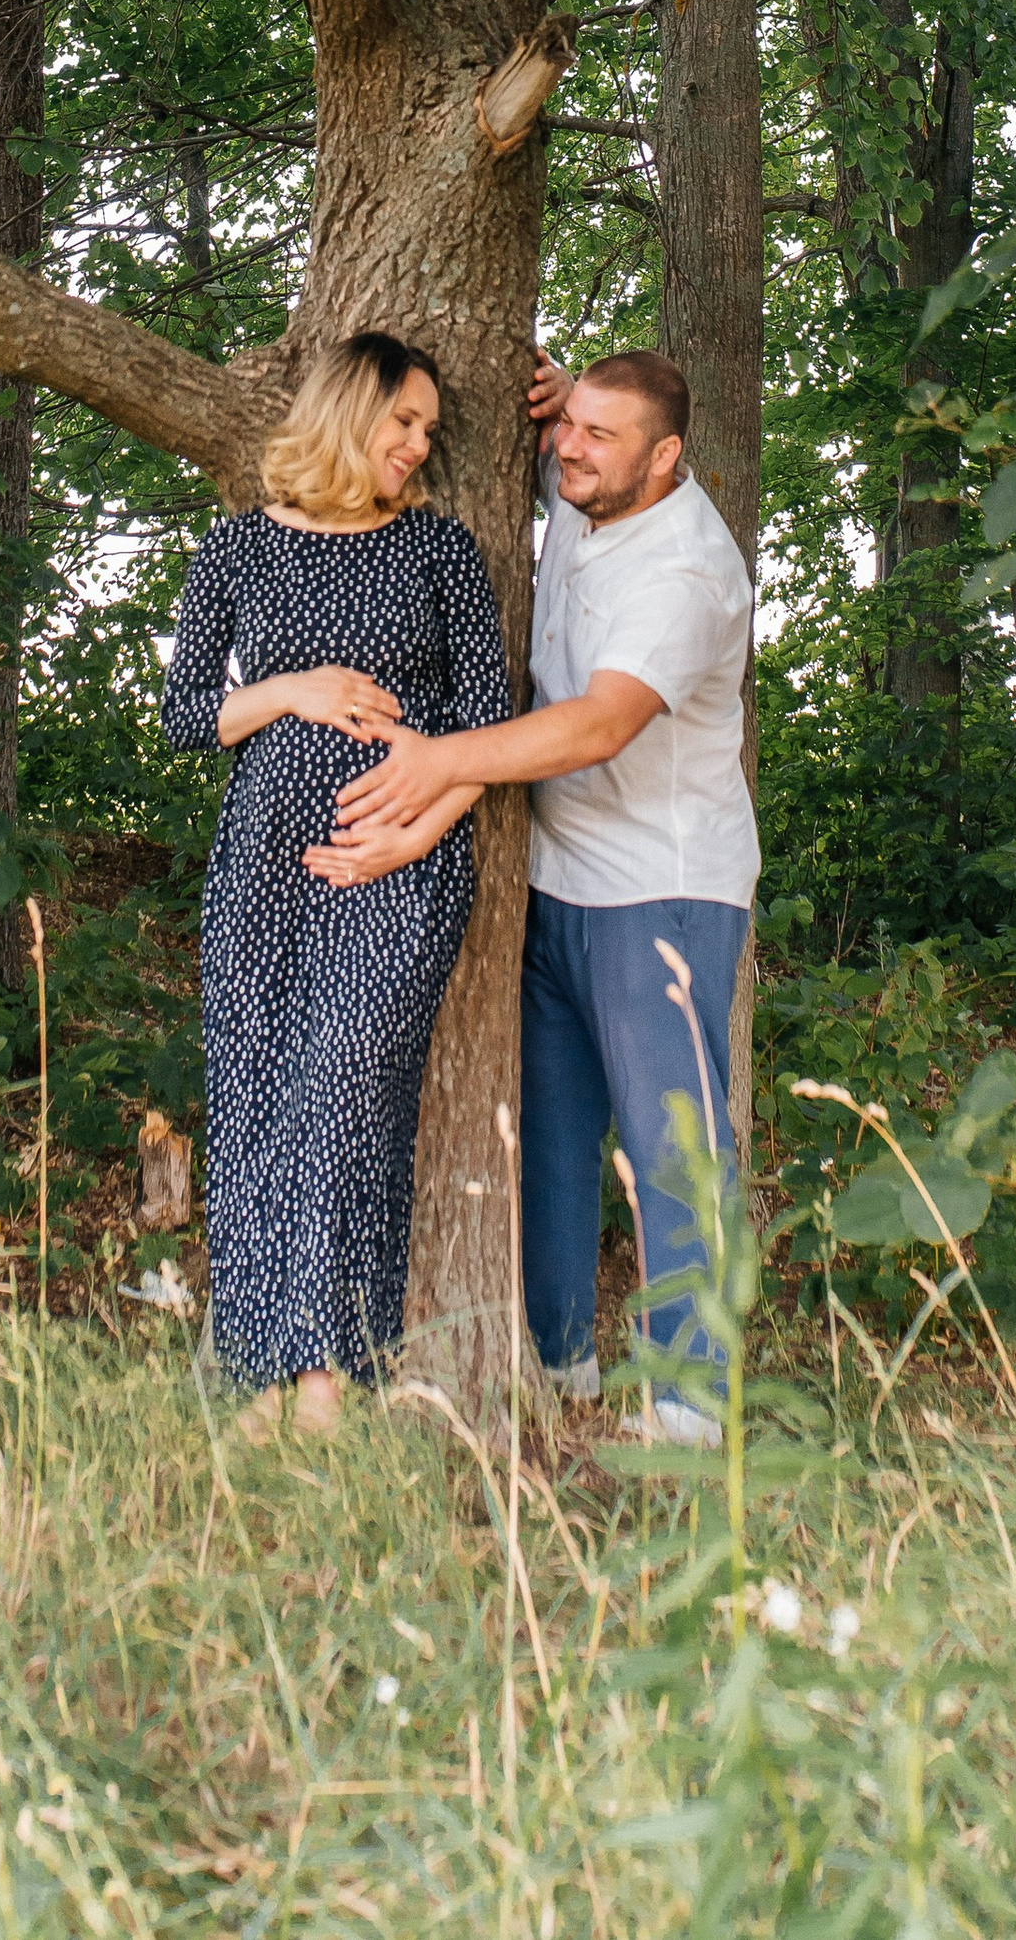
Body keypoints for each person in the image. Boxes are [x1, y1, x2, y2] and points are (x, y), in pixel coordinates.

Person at [323, 348, 756, 1435]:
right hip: (553, 874)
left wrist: (440, 762)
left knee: (672, 1145)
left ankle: (692, 1407)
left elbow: (601, 723)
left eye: (602, 437)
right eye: (571, 424)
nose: (570, 449)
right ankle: (561, 1363)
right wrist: (570, 402)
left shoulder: (688, 574)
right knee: (552, 1137)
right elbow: (574, 431)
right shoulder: (587, 480)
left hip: (660, 889)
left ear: (667, 457)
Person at [162, 328, 506, 1432]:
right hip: (264, 863)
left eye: (429, 430)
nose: (418, 445)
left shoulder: (439, 550)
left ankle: (326, 1375)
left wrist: (418, 833)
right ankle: (264, 1375)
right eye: (404, 421)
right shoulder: (237, 550)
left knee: (346, 1093)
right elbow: (184, 717)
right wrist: (291, 690)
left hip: (397, 865)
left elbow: (488, 727)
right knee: (257, 1095)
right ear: (348, 410)